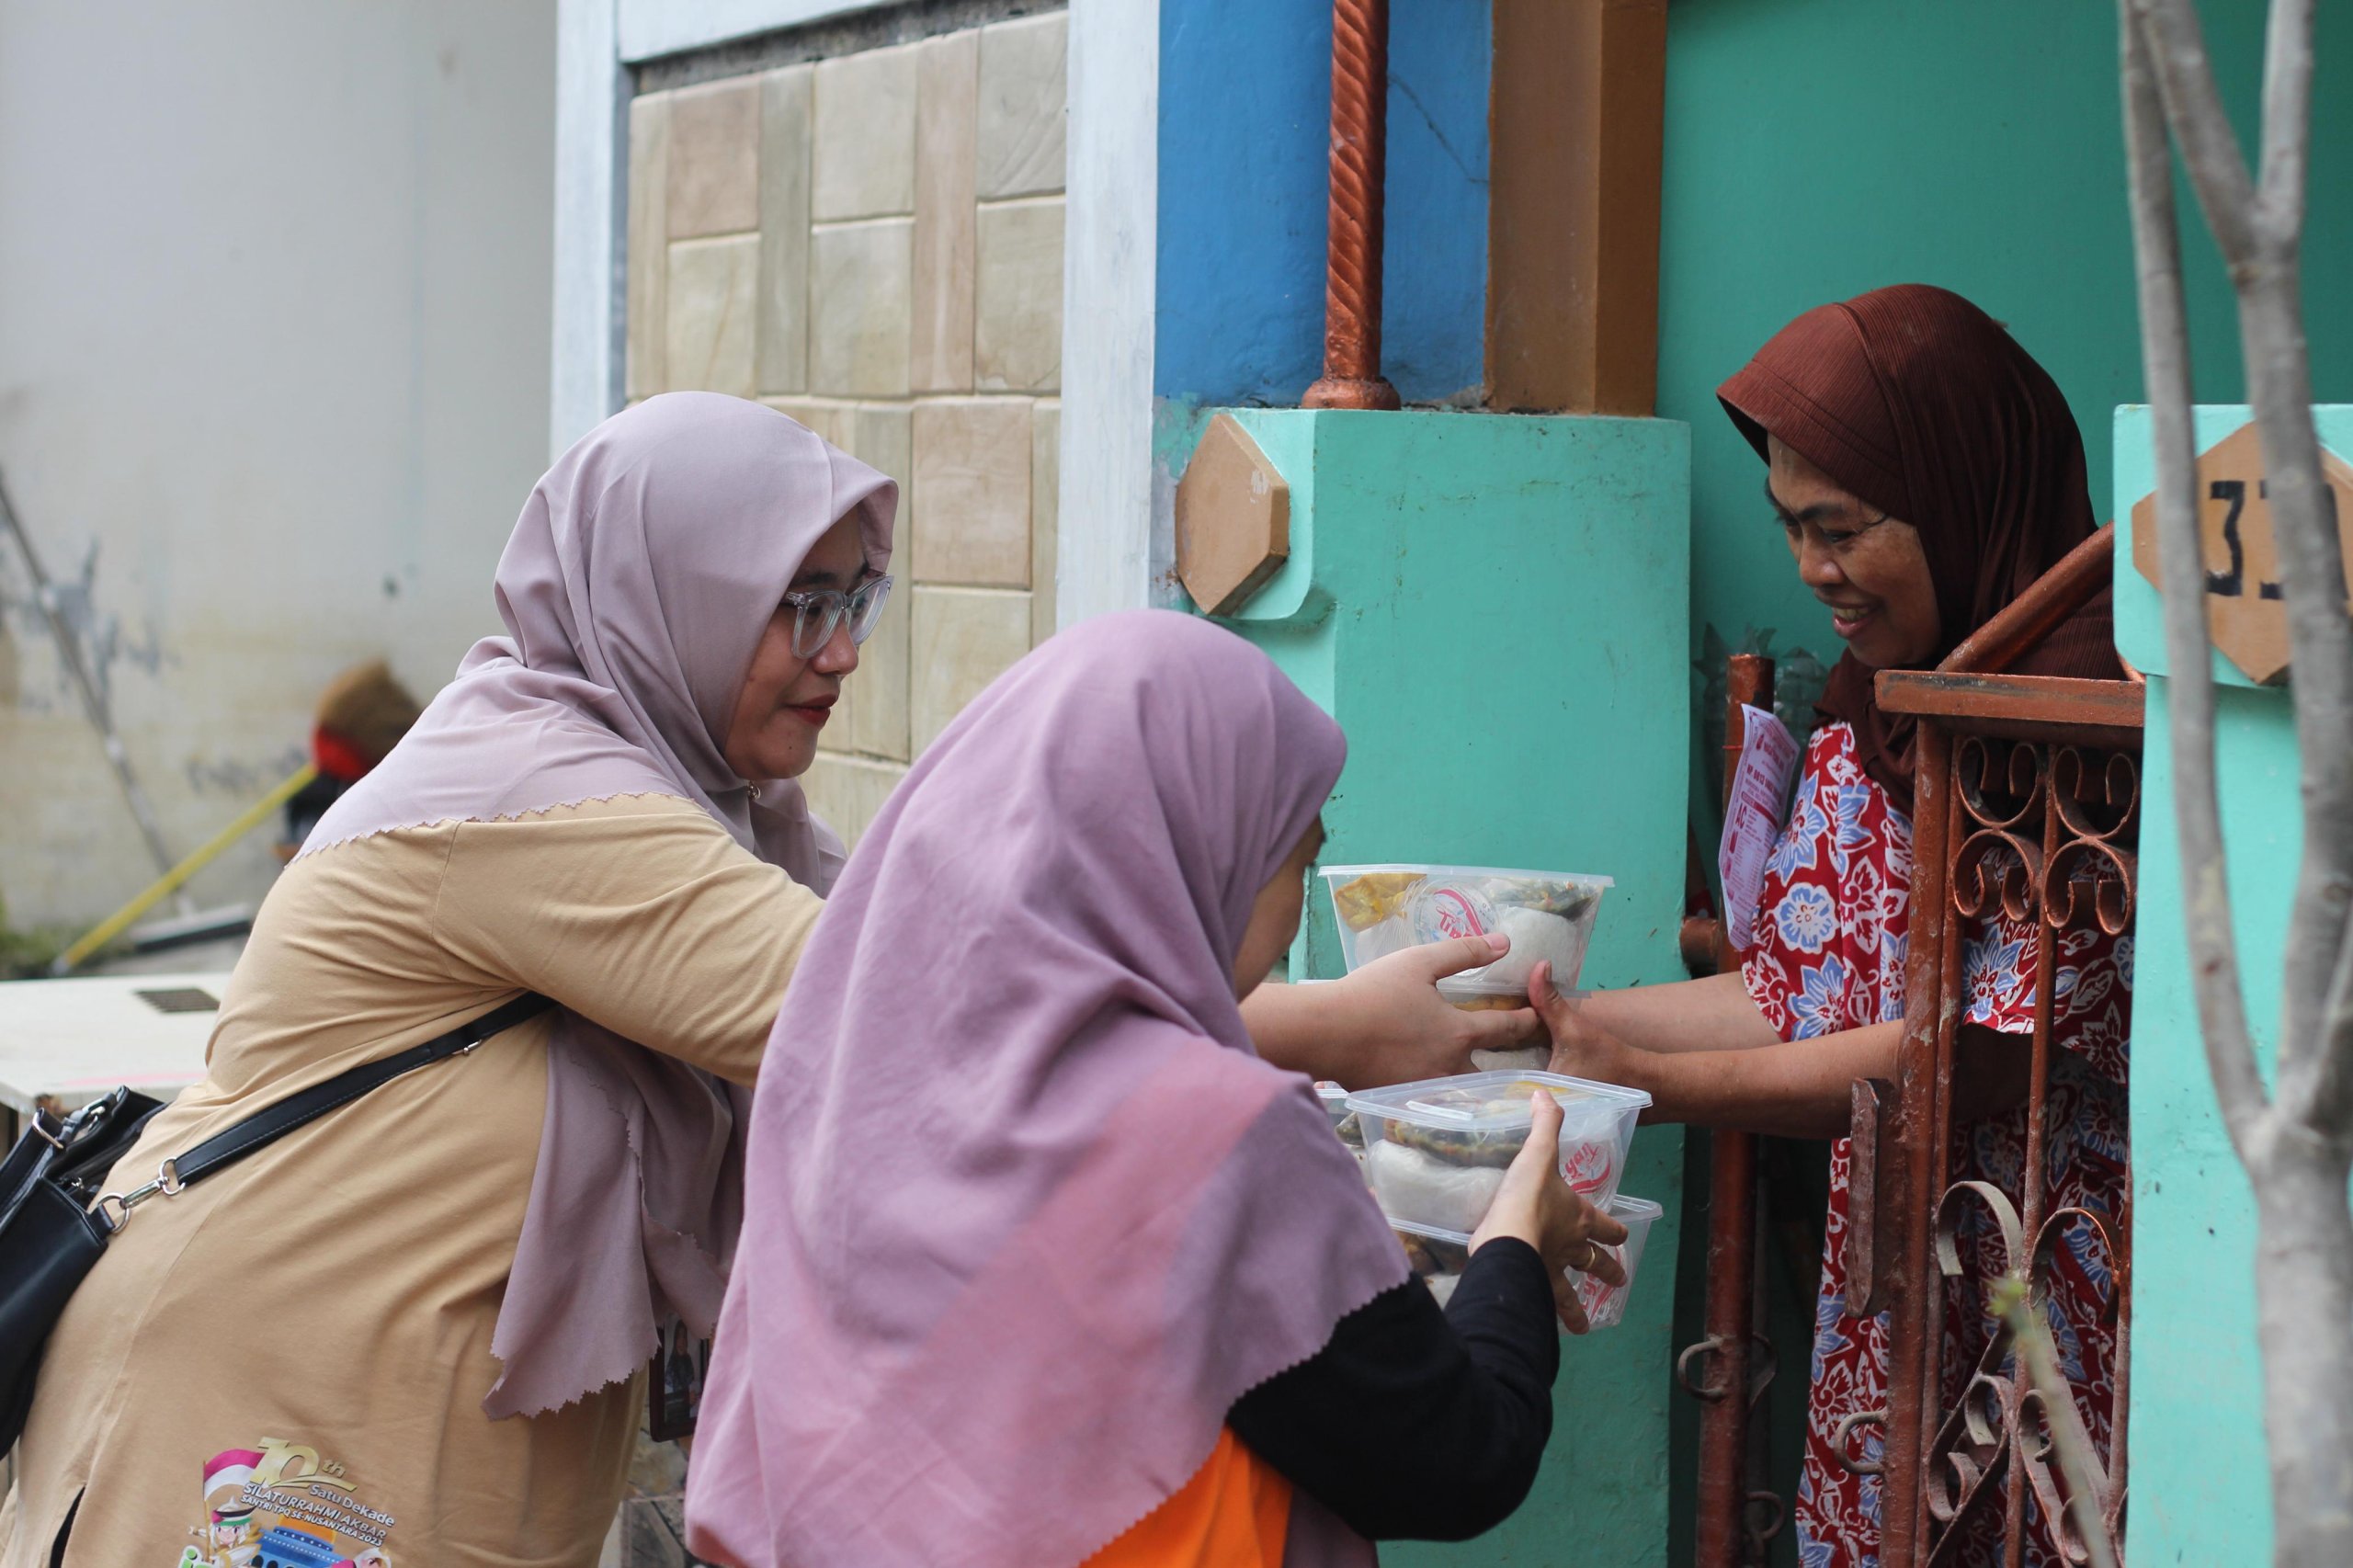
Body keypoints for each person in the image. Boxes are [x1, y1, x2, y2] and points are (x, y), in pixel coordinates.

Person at [684, 610, 1627, 1568]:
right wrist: (1512, 1237)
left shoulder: (852, 1066)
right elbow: (1455, 1458)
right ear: (1196, 850)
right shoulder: (1211, 1131)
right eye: (1293, 854)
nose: (1290, 893)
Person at [1532, 286, 2131, 1566]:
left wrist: (1640, 1081)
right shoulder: (1877, 715)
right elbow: (1799, 993)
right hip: (1905, 1307)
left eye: (1841, 527)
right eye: (1792, 528)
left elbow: (1970, 1051)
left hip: (2058, 1305)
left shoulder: (2090, 735)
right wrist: (1550, 1028)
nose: (1811, 569)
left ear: (1962, 489)